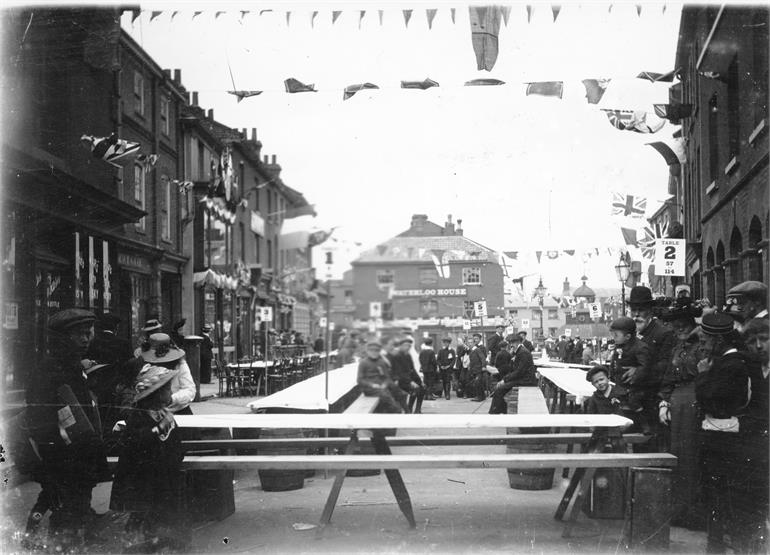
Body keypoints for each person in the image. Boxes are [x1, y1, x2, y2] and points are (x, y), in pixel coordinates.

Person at [25, 309, 108, 551]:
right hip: (64, 457)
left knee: (75, 505)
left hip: (80, 454)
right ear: (62, 337)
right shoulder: (49, 370)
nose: (86, 339)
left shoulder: (72, 365)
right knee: (66, 512)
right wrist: (54, 459)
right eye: (79, 334)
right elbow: (41, 421)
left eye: (88, 333)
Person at [695, 312, 764, 553]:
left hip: (727, 447)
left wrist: (703, 375)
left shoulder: (731, 364)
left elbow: (713, 401)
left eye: (705, 338)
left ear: (719, 340)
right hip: (727, 445)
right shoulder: (730, 361)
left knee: (726, 505)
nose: (702, 342)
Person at [110, 364, 190, 551]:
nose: (171, 393)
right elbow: (137, 440)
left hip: (163, 474)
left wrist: (176, 457)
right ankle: (139, 545)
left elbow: (175, 440)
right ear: (154, 394)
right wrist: (159, 428)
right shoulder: (139, 416)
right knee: (143, 514)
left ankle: (162, 543)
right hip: (143, 477)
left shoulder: (163, 413)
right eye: (167, 389)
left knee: (163, 512)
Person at [657, 299, 706, 530]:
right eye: (675, 325)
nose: (679, 328)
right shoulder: (678, 347)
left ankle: (693, 511)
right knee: (677, 453)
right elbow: (668, 375)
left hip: (695, 401)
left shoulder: (701, 345)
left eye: (683, 324)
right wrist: (664, 402)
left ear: (691, 322)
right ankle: (679, 509)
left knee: (691, 456)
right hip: (677, 404)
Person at [627, 286, 675, 450]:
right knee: (635, 444)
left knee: (652, 445)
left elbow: (664, 367)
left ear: (651, 310)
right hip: (634, 400)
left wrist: (639, 372)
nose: (637, 314)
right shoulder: (630, 334)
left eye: (642, 310)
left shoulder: (663, 333)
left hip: (652, 400)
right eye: (634, 310)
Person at [607, 316, 650, 418]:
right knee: (619, 404)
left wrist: (636, 375)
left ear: (628, 336)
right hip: (620, 383)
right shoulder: (619, 345)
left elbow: (644, 366)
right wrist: (611, 373)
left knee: (635, 404)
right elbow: (615, 361)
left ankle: (645, 423)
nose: (613, 337)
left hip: (633, 385)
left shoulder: (640, 347)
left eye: (616, 335)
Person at [488, 336, 538, 414]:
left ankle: (495, 412)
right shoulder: (519, 352)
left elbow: (519, 372)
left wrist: (505, 380)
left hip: (526, 380)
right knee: (499, 389)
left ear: (519, 342)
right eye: (511, 343)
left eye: (514, 343)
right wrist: (505, 379)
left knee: (499, 389)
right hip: (522, 378)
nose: (512, 345)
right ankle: (500, 411)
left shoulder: (523, 353)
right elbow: (513, 369)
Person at [357, 340, 408, 413]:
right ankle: (397, 411)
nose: (374, 352)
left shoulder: (381, 362)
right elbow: (360, 380)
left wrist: (385, 384)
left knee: (401, 393)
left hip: (381, 386)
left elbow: (387, 377)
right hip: (369, 388)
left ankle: (406, 411)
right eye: (371, 350)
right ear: (367, 351)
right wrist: (372, 385)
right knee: (386, 397)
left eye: (376, 351)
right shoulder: (363, 363)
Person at [387, 337, 425, 413]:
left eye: (409, 346)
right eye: (405, 345)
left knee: (422, 388)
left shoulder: (407, 355)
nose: (407, 347)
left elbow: (412, 370)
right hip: (399, 380)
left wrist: (420, 381)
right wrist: (411, 382)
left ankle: (417, 410)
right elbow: (399, 373)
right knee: (415, 389)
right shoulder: (397, 356)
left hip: (407, 379)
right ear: (400, 346)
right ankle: (409, 408)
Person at [468, 333, 488, 402]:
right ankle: (482, 396)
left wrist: (483, 366)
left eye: (471, 343)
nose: (470, 344)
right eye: (469, 343)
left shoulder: (477, 350)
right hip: (474, 370)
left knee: (478, 383)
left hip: (479, 369)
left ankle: (479, 397)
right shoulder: (471, 351)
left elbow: (483, 358)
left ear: (474, 343)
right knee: (478, 383)